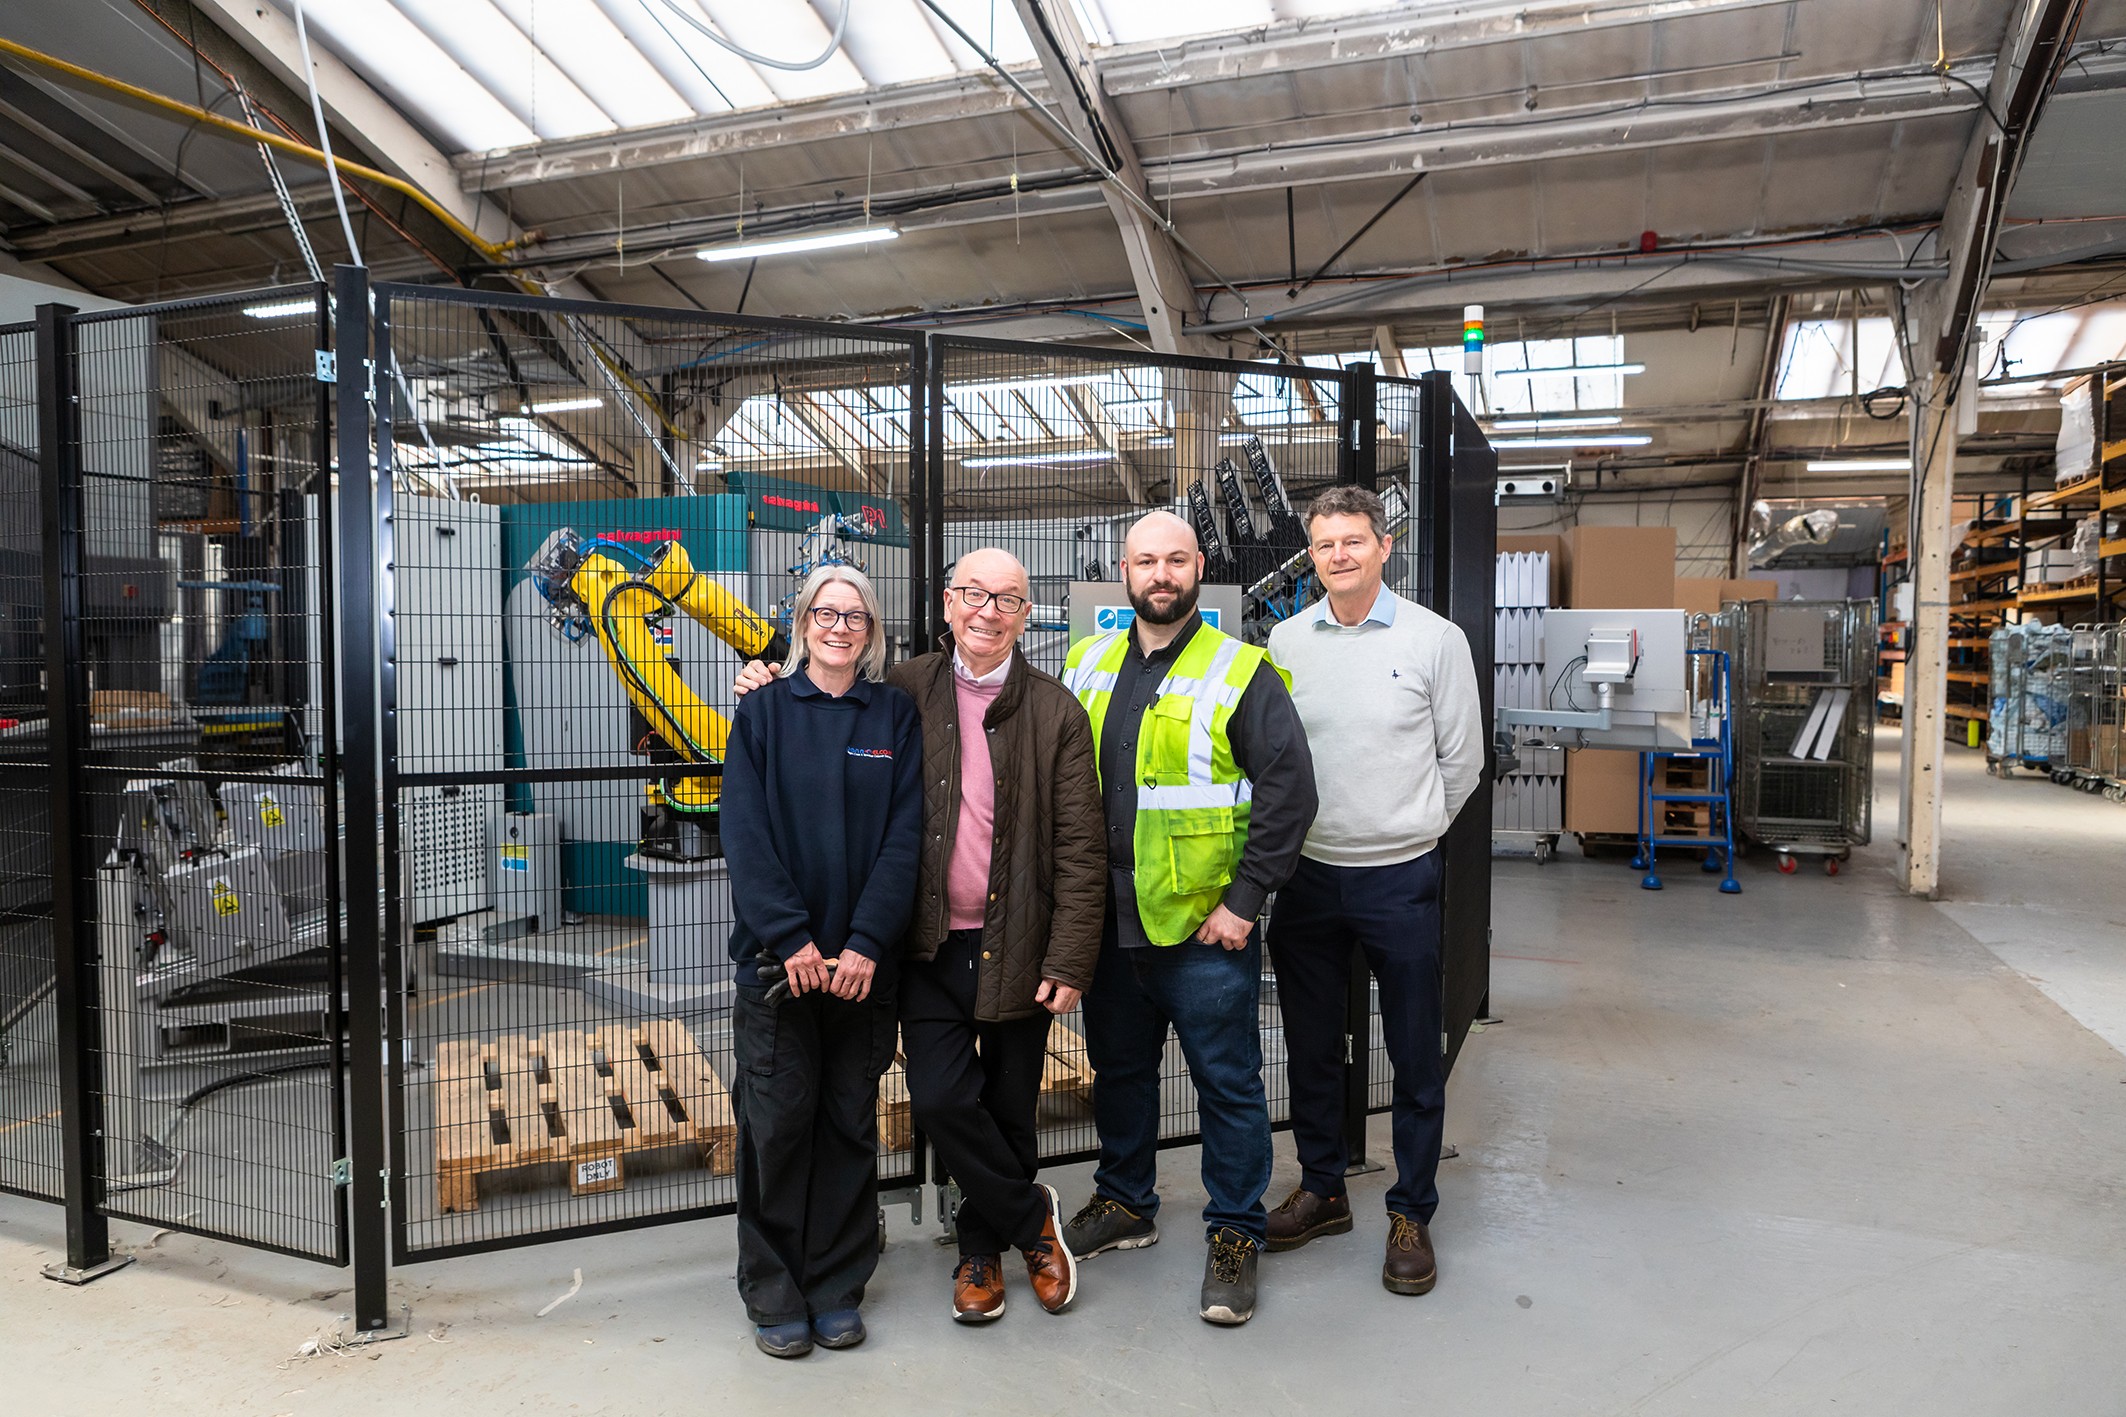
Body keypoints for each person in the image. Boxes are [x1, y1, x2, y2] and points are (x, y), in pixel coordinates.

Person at [733, 548, 1103, 1326]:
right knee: (898, 1104)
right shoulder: (880, 696)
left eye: (1007, 597)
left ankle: (945, 1260)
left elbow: (1071, 845)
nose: (988, 610)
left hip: (987, 945)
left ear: (1026, 613)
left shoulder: (1035, 710)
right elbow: (754, 828)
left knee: (981, 1109)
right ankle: (1025, 1218)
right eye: (974, 593)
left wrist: (1068, 955)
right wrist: (760, 679)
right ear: (945, 603)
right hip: (896, 950)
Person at [1058, 509, 1317, 1327]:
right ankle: (1126, 1199)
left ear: (1197, 566)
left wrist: (1245, 903)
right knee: (1122, 1075)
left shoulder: (1242, 669)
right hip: (1108, 924)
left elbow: (1290, 795)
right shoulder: (1085, 661)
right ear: (1124, 570)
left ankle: (1236, 1230)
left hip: (1205, 927)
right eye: (1145, 560)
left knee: (1227, 1085)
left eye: (1175, 559)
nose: (1160, 574)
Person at [1262, 484, 1482, 1297]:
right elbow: (1277, 759)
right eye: (1326, 545)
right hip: (1309, 875)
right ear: (1313, 556)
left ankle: (1411, 1210)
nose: (1340, 555)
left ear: (1385, 547)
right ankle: (1322, 1190)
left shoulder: (1435, 639)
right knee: (1311, 1048)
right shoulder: (1286, 641)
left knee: (1415, 1054)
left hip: (1401, 878)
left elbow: (1463, 763)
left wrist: (1407, 827)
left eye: (1355, 540)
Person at [719, 563, 923, 1360]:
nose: (840, 628)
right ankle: (773, 1288)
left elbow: (905, 839)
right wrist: (791, 938)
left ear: (871, 633)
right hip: (781, 968)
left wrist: (868, 941)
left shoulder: (892, 716)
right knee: (776, 1122)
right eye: (826, 614)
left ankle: (837, 1283)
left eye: (856, 617)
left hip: (862, 970)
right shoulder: (764, 712)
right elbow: (746, 835)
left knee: (846, 1121)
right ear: (802, 622)